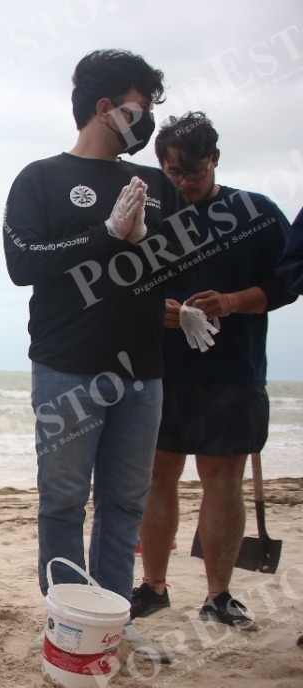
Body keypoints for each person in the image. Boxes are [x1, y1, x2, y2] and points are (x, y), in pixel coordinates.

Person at [2, 49, 196, 663]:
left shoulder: (157, 185)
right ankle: (67, 618)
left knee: (124, 503)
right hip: (67, 366)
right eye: (142, 108)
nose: (149, 123)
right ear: (106, 107)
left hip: (143, 371)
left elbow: (183, 258)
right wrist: (106, 235)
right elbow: (22, 263)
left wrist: (148, 243)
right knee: (62, 499)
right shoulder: (40, 178)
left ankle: (112, 620)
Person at [135, 112, 294, 628]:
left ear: (215, 161)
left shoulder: (257, 213)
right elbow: (122, 285)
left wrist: (230, 301)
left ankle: (218, 595)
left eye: (194, 171)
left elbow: (288, 283)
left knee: (222, 479)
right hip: (160, 367)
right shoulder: (151, 216)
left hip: (234, 371)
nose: (183, 182)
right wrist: (155, 309)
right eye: (173, 172)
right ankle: (153, 586)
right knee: (158, 477)